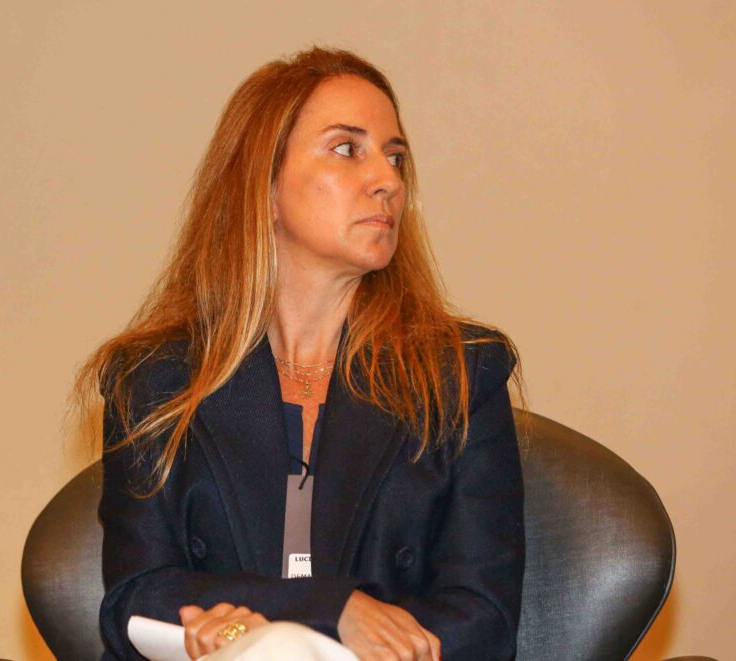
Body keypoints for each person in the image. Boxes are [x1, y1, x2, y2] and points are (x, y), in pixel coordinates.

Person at [77, 46, 525, 661]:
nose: (389, 181)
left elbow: (483, 618)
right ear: (264, 184)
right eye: (347, 149)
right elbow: (137, 596)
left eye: (395, 157)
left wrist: (296, 636)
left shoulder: (461, 373)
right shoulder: (154, 380)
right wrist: (330, 612)